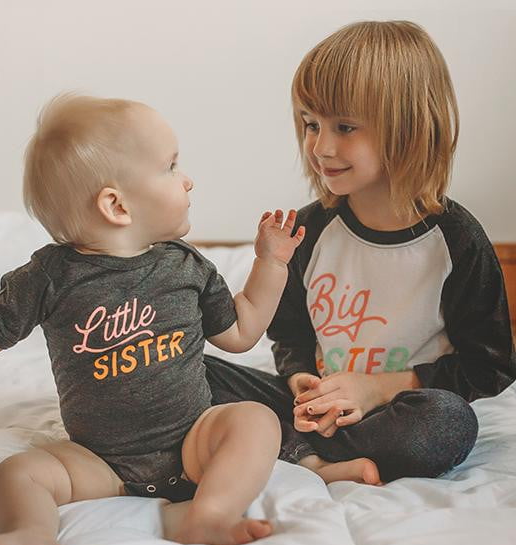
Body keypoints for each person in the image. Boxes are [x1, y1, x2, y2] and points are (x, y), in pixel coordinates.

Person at [0, 94, 306, 545]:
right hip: (100, 461)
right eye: (171, 167)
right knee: (15, 473)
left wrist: (271, 263)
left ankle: (209, 513)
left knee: (256, 420)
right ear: (116, 205)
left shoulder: (185, 266)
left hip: (194, 441)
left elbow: (241, 332)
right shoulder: (50, 275)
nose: (187, 179)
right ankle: (29, 535)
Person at [204, 20, 516, 485]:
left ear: (408, 129)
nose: (321, 146)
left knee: (449, 422)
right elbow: (290, 335)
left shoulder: (457, 239)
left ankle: (279, 446)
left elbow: (488, 366)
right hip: (310, 409)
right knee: (183, 371)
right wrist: (301, 380)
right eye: (311, 124)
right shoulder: (309, 230)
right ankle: (311, 456)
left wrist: (374, 389)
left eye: (345, 127)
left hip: (397, 412)